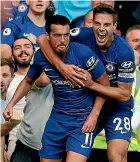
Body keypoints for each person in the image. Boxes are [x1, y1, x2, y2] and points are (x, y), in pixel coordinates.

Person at [4, 15, 110, 162]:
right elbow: (28, 81)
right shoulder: (41, 56)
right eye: (57, 35)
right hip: (57, 119)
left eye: (66, 35)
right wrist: (11, 104)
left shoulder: (83, 53)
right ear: (48, 36)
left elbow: (105, 85)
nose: (63, 40)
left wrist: (94, 116)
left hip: (82, 119)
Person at [37, 5, 135, 162]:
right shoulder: (82, 34)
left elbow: (124, 95)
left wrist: (91, 85)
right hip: (87, 105)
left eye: (107, 25)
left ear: (115, 27)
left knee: (116, 156)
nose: (101, 29)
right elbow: (42, 39)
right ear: (92, 23)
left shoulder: (124, 52)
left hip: (116, 108)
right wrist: (60, 66)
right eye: (97, 23)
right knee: (64, 154)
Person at [3, 37, 54, 162]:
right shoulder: (6, 80)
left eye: (27, 46)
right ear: (12, 57)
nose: (23, 50)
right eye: (17, 48)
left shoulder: (48, 74)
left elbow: (43, 79)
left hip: (48, 142)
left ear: (34, 51)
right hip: (18, 142)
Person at [0, 58, 21, 162]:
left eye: (5, 75)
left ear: (12, 77)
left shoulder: (10, 98)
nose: (0, 79)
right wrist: (12, 124)